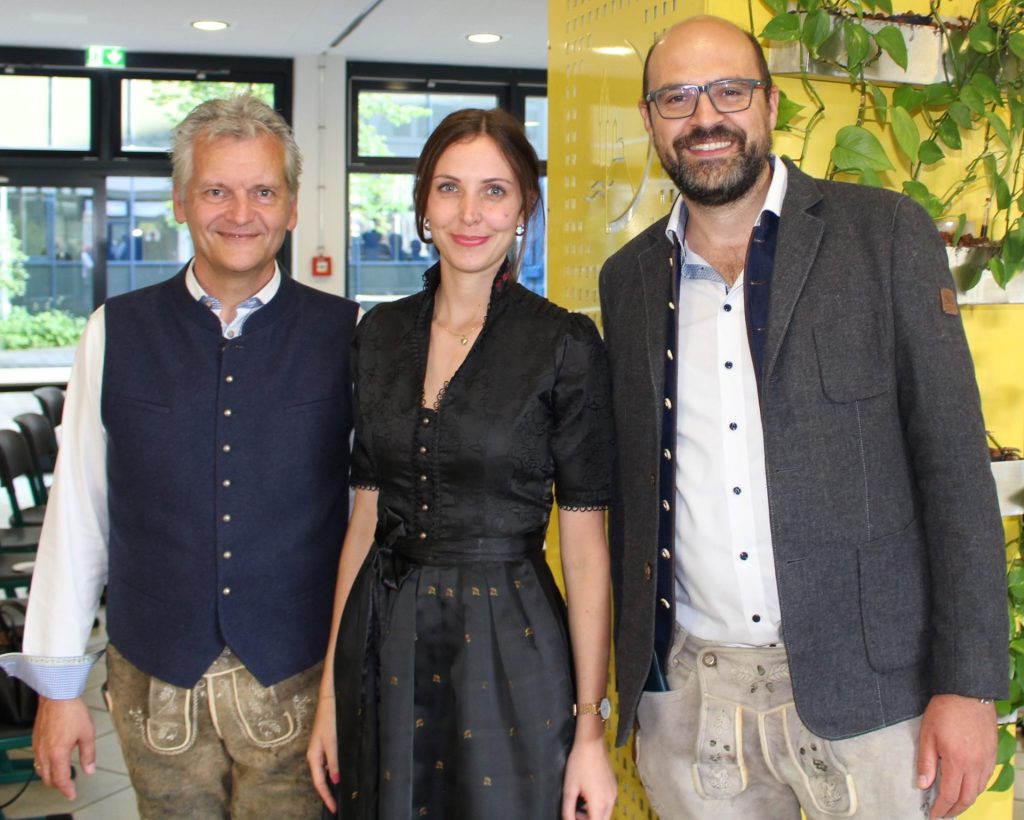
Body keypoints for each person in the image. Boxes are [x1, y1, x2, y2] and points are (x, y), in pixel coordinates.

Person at [599, 16, 1007, 820]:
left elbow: (956, 472)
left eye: (730, 91)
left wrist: (968, 686)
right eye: (677, 98)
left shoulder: (884, 235)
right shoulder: (629, 279)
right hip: (693, 707)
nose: (705, 117)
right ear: (649, 119)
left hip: (873, 703)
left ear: (771, 103)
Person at [0, 95, 359, 817]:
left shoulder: (346, 334)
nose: (241, 213)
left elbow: (365, 523)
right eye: (216, 191)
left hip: (298, 676)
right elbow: (78, 512)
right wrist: (58, 690)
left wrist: (355, 681)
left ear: (292, 207)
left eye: (264, 192)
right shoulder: (114, 332)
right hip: (154, 681)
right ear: (180, 202)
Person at [306, 108, 618, 820]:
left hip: (509, 644)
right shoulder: (379, 334)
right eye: (449, 188)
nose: (470, 213)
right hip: (383, 637)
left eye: (494, 191)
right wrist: (329, 695)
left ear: (524, 208)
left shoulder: (564, 346)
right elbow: (363, 521)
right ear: (423, 204)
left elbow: (584, 548)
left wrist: (589, 731)